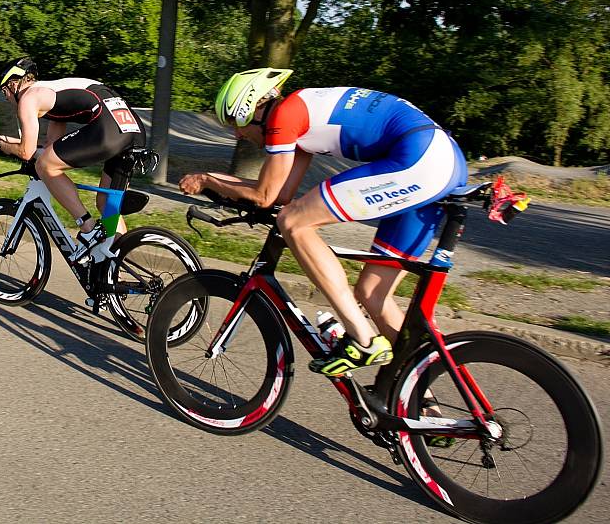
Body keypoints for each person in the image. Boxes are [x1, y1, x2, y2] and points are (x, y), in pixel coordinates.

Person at [179, 68, 468, 377]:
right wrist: (213, 183)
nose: (238, 134)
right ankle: (419, 398)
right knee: (372, 294)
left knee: (294, 223)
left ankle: (363, 338)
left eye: (239, 123)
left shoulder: (283, 118)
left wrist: (207, 179)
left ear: (258, 109)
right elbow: (281, 193)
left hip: (420, 159)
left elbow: (264, 196)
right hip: (439, 160)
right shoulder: (298, 115)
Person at [0, 56, 146, 248]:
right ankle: (115, 262)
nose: (7, 98)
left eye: (4, 92)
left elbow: (27, 153)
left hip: (108, 129)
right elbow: (48, 147)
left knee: (45, 166)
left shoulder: (28, 98)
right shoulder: (53, 94)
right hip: (131, 129)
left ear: (13, 84)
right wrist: (6, 140)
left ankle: (87, 227)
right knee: (107, 203)